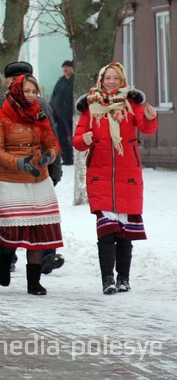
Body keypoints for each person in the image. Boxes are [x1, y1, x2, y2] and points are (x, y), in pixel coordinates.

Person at [72, 62, 158, 295]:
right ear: (100, 81)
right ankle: (107, 279)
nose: (111, 82)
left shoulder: (131, 104)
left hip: (127, 176)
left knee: (124, 231)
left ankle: (124, 278)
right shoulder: (91, 106)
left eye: (115, 79)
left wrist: (150, 118)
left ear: (122, 81)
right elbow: (77, 139)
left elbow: (146, 127)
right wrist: (86, 139)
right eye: (107, 78)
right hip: (100, 177)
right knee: (106, 230)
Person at [0, 60, 64, 274]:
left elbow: (51, 138)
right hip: (8, 172)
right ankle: (8, 256)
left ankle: (46, 256)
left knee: (41, 213)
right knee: (11, 216)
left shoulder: (42, 105)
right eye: (15, 78)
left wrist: (54, 169)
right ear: (9, 81)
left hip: (39, 172)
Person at [50, 60, 75, 165]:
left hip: (69, 115)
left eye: (67, 67)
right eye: (64, 67)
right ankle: (67, 159)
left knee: (72, 137)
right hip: (59, 114)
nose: (65, 69)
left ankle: (74, 157)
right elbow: (54, 94)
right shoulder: (61, 80)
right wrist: (51, 107)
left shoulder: (75, 81)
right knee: (61, 138)